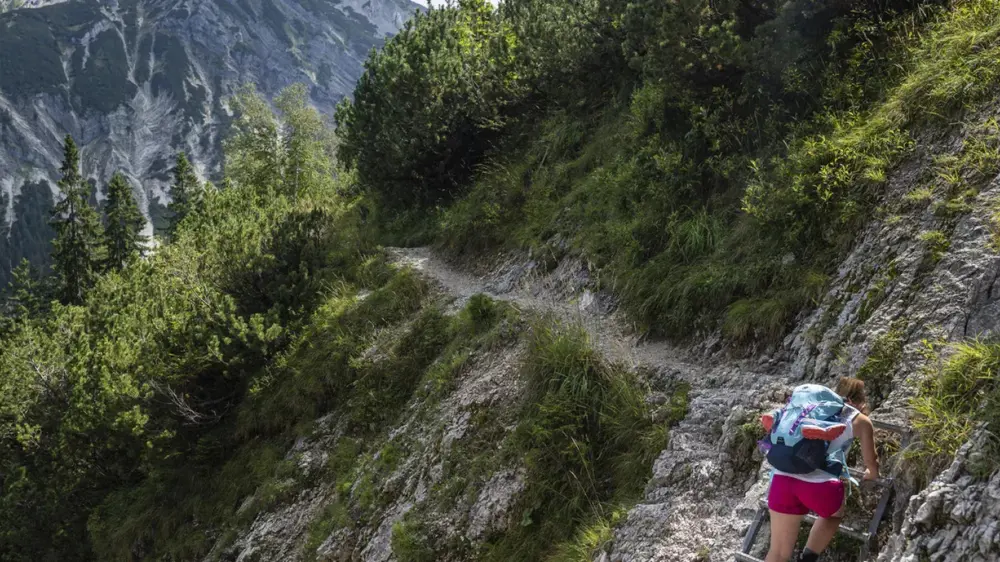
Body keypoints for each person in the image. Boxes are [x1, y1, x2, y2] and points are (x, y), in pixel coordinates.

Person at [763, 377, 880, 562]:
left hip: (782, 479)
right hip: (820, 485)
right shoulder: (861, 421)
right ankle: (809, 556)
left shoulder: (812, 409)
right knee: (834, 514)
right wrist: (871, 474)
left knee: (778, 553)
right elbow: (871, 462)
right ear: (860, 400)